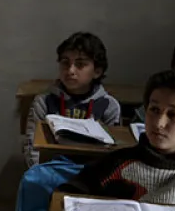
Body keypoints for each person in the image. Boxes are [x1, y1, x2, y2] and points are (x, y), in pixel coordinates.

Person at [64, 70, 175, 209]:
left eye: (173, 115)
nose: (159, 123)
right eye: (154, 110)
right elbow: (67, 198)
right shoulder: (117, 162)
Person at [24, 31, 121, 166]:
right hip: (50, 170)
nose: (70, 71)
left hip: (92, 172)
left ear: (97, 71)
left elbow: (113, 154)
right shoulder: (44, 102)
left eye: (80, 64)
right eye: (65, 63)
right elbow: (32, 147)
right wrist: (38, 171)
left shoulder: (108, 106)